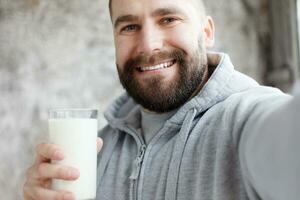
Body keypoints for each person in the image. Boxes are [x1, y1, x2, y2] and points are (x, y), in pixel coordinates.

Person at [23, 0, 300, 199]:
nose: (148, 45)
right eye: (129, 27)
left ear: (206, 32)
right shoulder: (97, 151)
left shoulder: (248, 119)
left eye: (168, 19)